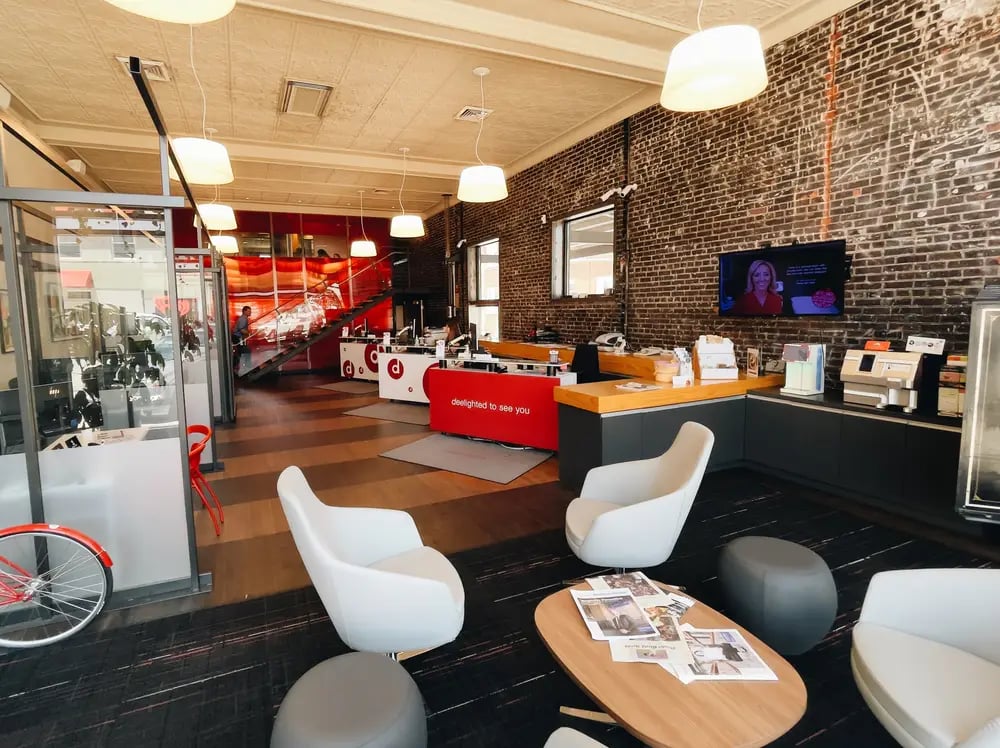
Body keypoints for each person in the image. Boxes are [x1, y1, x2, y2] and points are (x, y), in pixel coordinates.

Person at [232, 306, 251, 373]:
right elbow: (241, 329)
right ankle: (245, 367)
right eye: (249, 311)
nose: (250, 312)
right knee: (244, 351)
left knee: (241, 352)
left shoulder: (244, 318)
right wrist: (249, 333)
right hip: (237, 337)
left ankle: (237, 367)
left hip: (237, 337)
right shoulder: (243, 319)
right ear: (244, 311)